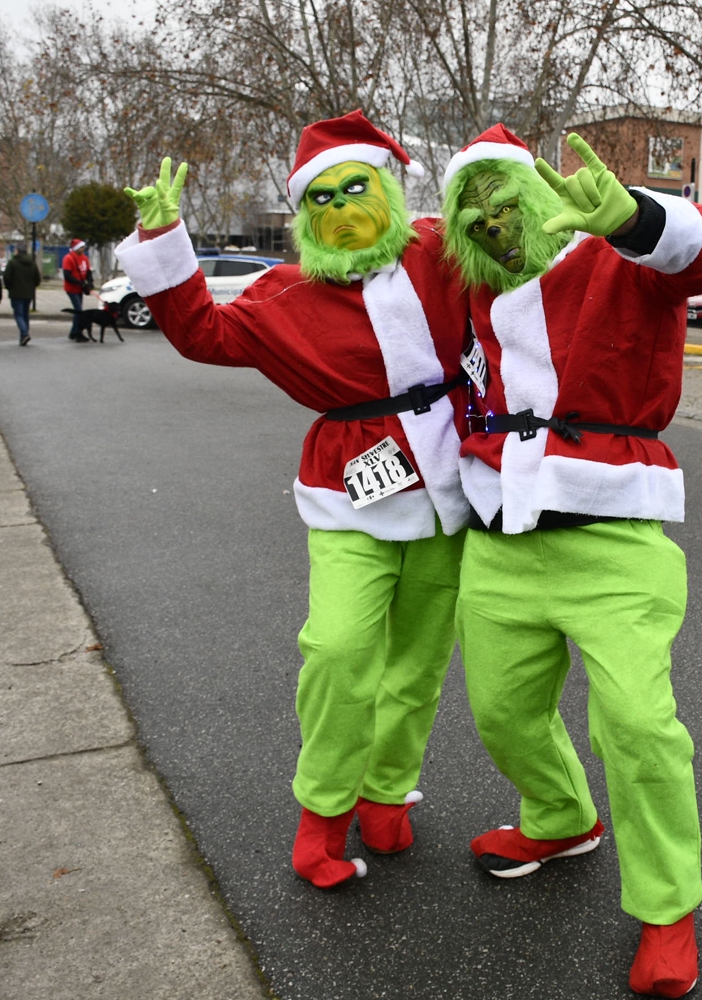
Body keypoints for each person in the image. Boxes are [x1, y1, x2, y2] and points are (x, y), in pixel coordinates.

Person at [117, 112, 470, 891]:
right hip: (353, 490)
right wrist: (165, 236)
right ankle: (322, 816)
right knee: (341, 651)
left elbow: (519, 258)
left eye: (357, 188)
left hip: (452, 484)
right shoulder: (288, 291)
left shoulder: (443, 251)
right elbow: (203, 332)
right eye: (322, 198)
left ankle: (385, 795)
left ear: (387, 185)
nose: (343, 207)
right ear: (304, 212)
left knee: (417, 665)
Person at [441, 125, 702, 998]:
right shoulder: (465, 289)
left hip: (613, 539)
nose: (494, 223)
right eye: (475, 213)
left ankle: (666, 906)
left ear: (537, 193)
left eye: (505, 201)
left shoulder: (619, 258)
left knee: (638, 729)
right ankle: (563, 818)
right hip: (499, 540)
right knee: (500, 712)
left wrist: (636, 217)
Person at [3, 247, 42, 346]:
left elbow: (6, 277)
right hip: (28, 293)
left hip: (16, 293)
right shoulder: (32, 263)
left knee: (18, 314)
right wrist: (32, 286)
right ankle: (23, 337)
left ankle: (24, 334)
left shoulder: (13, 263)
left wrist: (9, 287)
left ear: (17, 251)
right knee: (25, 314)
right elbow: (37, 278)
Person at [61, 238, 94, 342]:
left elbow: (88, 272)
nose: (83, 249)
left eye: (83, 247)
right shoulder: (68, 258)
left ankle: (73, 332)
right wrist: (80, 283)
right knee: (79, 310)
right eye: (80, 247)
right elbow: (67, 275)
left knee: (78, 311)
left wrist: (90, 283)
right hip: (72, 288)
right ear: (75, 248)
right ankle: (78, 333)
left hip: (80, 288)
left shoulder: (85, 258)